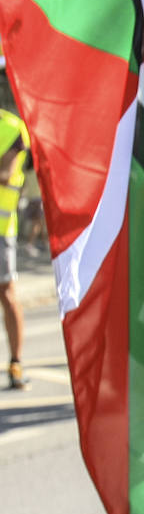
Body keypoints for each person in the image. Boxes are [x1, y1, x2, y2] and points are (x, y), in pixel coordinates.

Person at [0, 108, 30, 389]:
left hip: (1, 230)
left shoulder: (11, 127)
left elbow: (5, 174)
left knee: (7, 296)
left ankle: (16, 362)